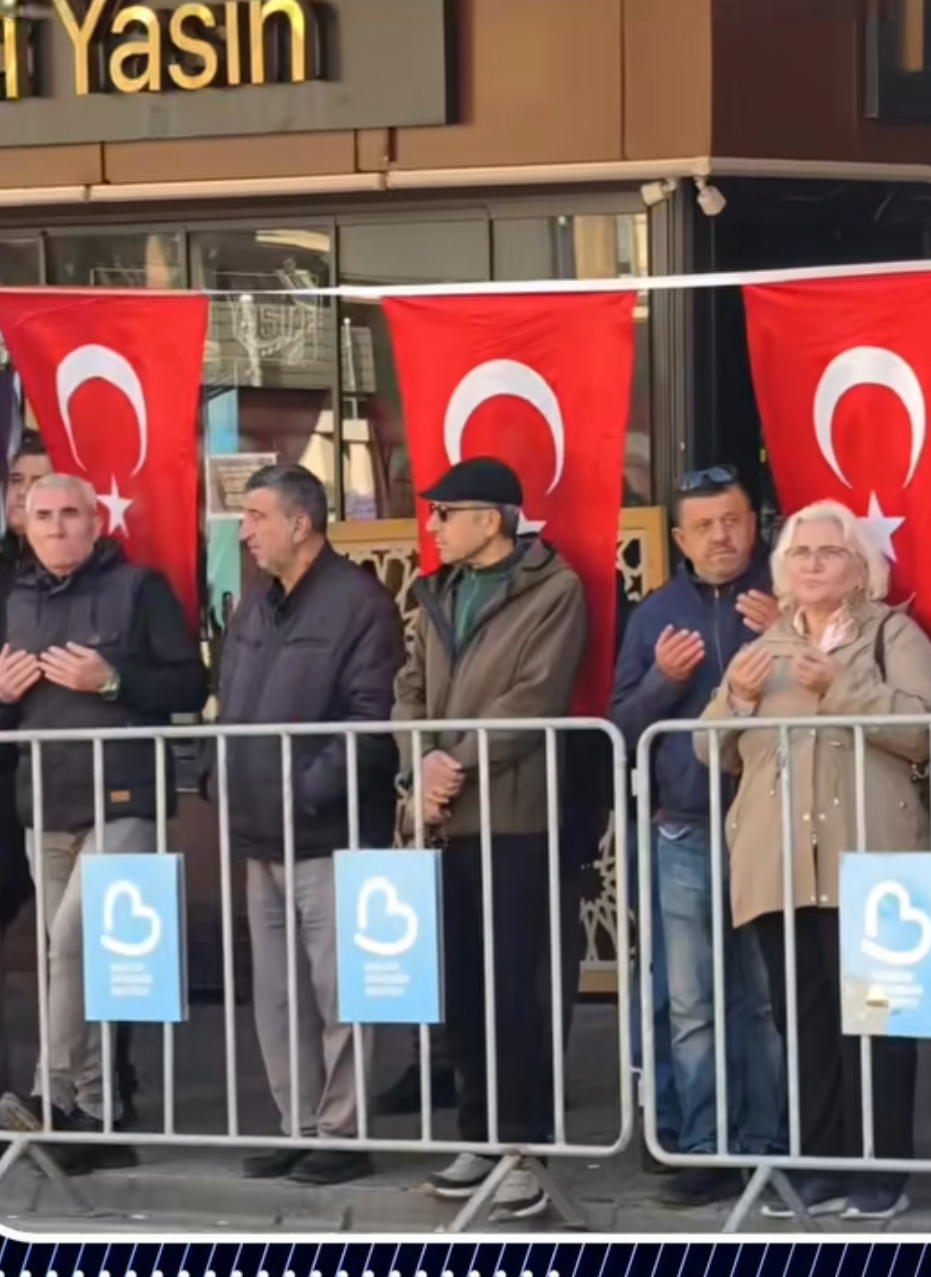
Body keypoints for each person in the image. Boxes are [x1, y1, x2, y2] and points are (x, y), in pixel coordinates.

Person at [697, 499, 931, 1222]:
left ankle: (880, 1172)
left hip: (873, 858)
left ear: (860, 569)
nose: (812, 564)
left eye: (828, 552)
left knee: (879, 1019)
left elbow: (921, 730)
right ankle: (821, 1167)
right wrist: (736, 701)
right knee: (803, 1019)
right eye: (799, 553)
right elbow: (706, 748)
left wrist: (843, 688)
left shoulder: (891, 633)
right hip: (779, 862)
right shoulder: (762, 647)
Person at [393, 456, 587, 1223]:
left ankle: (524, 1150)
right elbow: (407, 687)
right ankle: (479, 1137)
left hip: (515, 816)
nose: (434, 525)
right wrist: (422, 760)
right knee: (462, 989)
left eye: (446, 512)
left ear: (490, 518)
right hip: (447, 817)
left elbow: (532, 697)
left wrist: (455, 762)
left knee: (515, 990)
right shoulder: (434, 589)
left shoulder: (554, 589)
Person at [0, 473, 208, 1173]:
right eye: (43, 515)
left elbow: (190, 683)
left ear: (96, 524)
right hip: (44, 800)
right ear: (26, 526)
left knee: (73, 943)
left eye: (70, 514)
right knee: (71, 959)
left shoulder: (139, 587)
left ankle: (50, 1094)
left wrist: (113, 680)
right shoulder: (16, 599)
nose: (57, 526)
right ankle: (93, 1111)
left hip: (123, 797)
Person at [219, 463, 404, 1188]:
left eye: (257, 516)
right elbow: (229, 699)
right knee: (277, 998)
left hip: (327, 832)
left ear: (301, 524)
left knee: (341, 992)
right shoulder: (255, 602)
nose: (245, 530)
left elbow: (371, 719)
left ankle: (342, 1131)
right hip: (258, 831)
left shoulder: (358, 603)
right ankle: (298, 1125)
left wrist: (305, 793)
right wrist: (217, 774)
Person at [611, 464, 785, 1207]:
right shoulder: (654, 613)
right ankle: (704, 1145)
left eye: (733, 521)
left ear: (755, 526)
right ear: (679, 539)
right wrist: (661, 680)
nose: (721, 536)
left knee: (768, 998)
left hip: (773, 827)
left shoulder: (789, 596)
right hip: (684, 829)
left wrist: (787, 634)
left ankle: (770, 1143)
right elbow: (618, 727)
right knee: (690, 1000)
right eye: (705, 526)